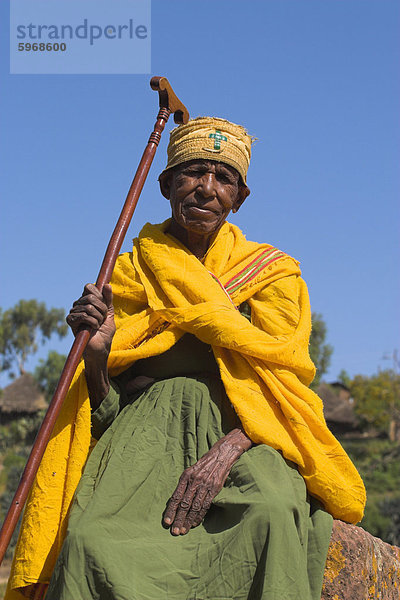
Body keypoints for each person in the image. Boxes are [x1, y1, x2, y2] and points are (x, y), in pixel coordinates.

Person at [6, 118, 366, 600]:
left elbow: (285, 390)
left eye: (224, 179)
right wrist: (96, 355)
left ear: (240, 197)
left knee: (274, 511)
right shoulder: (129, 272)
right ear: (166, 185)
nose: (206, 188)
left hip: (245, 431)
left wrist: (226, 452)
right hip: (142, 436)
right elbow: (103, 409)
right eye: (193, 172)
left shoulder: (272, 275)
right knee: (91, 540)